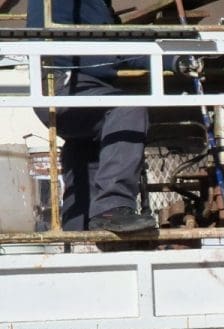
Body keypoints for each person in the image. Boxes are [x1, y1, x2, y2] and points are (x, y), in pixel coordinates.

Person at [27, 0, 178, 232]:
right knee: (127, 108)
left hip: (69, 84)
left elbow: (113, 44)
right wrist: (172, 57)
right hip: (64, 84)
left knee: (87, 149)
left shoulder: (93, 5)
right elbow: (110, 50)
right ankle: (112, 208)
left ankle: (77, 229)